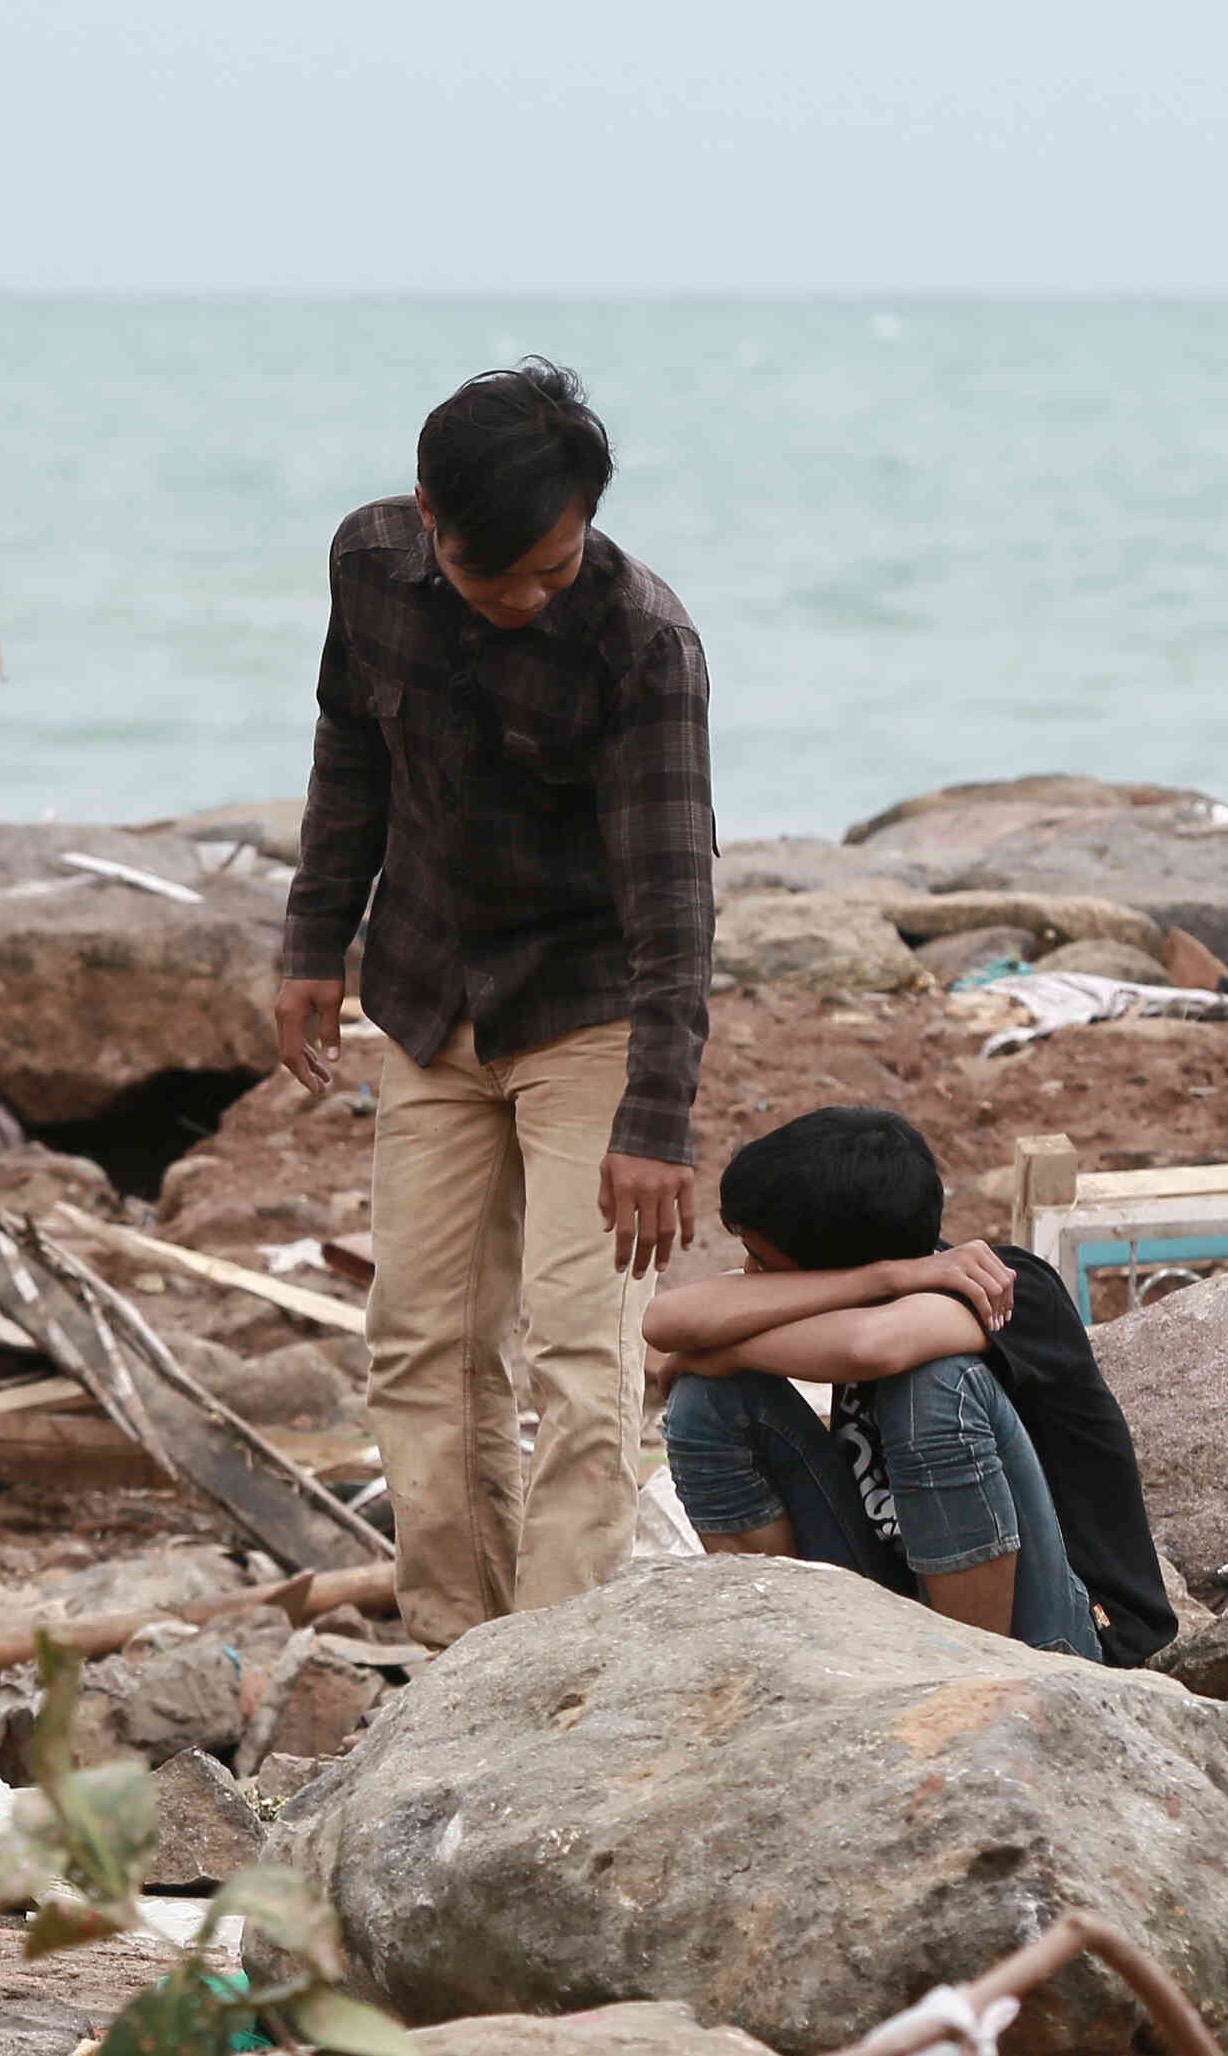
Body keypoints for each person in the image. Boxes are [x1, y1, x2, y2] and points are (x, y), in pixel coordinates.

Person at [277, 362, 716, 1649]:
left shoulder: (642, 640)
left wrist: (656, 1119)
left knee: (584, 1354)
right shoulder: (367, 565)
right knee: (420, 1344)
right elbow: (348, 749)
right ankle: (456, 1653)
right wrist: (313, 940)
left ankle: (556, 1660)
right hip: (426, 994)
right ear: (426, 515)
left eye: (554, 567)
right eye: (498, 575)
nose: (530, 597)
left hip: (590, 1008)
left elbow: (673, 898)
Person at [646, 1106, 1175, 1666]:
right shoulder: (886, 1273)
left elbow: (874, 1346)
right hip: (907, 1605)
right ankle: (789, 1654)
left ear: (824, 1264)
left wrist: (723, 1351)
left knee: (934, 1387)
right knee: (707, 1402)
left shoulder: (1008, 1287)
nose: (748, 1275)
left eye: (760, 1261)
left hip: (1067, 1636)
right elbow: (666, 1321)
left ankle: (964, 1683)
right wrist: (886, 1278)